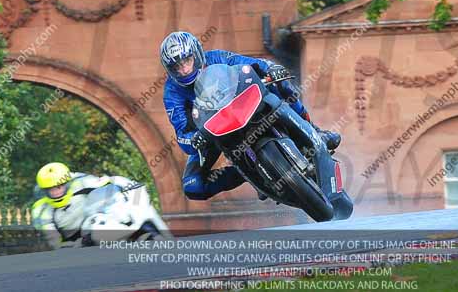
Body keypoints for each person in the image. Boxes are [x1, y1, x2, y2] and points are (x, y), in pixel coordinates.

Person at [160, 31, 341, 201]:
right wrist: (194, 140)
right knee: (193, 187)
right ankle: (251, 175)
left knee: (279, 84)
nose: (184, 69)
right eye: (177, 67)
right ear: (170, 70)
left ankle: (315, 131)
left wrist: (271, 68)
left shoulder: (215, 57)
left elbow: (251, 63)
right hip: (212, 132)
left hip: (245, 105)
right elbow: (182, 132)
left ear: (197, 55)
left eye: (187, 61)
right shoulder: (171, 92)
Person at [31, 162, 137, 248]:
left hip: (92, 225)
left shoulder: (80, 181)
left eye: (59, 187)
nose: (55, 192)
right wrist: (74, 244)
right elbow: (54, 242)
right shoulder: (41, 210)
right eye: (51, 189)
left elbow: (107, 180)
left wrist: (130, 186)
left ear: (66, 183)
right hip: (72, 244)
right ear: (44, 190)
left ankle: (133, 229)